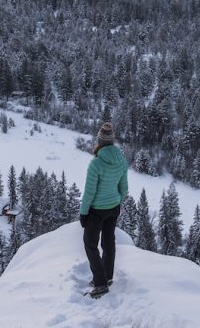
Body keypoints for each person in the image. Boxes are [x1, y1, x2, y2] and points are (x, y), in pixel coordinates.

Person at [79, 122, 128, 298]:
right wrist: (115, 202)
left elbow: (89, 192)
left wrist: (83, 213)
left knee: (90, 244)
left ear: (99, 141)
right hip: (113, 209)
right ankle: (106, 277)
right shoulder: (121, 161)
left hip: (96, 211)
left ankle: (100, 283)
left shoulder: (96, 164)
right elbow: (124, 189)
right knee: (108, 243)